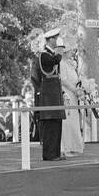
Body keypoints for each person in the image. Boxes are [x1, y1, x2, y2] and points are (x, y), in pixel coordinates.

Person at [29, 27, 66, 161]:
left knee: (56, 124)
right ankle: (49, 154)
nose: (57, 41)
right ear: (50, 40)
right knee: (50, 125)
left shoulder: (50, 54)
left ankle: (55, 153)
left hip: (54, 93)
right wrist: (60, 52)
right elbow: (53, 62)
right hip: (48, 95)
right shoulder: (44, 55)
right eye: (55, 39)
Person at [58, 40, 86, 158]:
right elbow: (63, 80)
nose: (72, 53)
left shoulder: (71, 64)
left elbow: (75, 78)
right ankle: (67, 147)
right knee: (67, 122)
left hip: (74, 94)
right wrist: (74, 90)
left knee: (74, 121)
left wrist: (80, 87)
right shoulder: (62, 64)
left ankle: (75, 146)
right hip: (67, 94)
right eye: (70, 51)